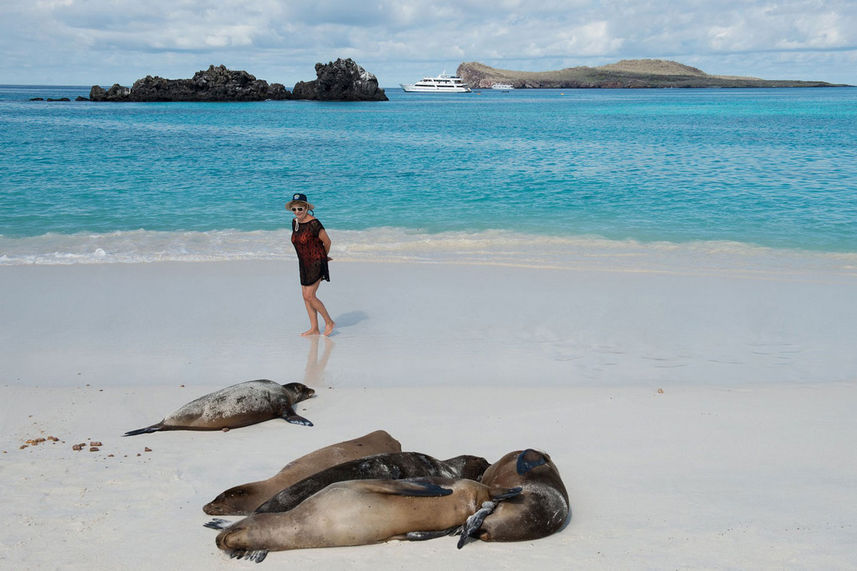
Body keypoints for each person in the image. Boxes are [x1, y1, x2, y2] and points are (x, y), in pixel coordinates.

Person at [286, 193, 335, 336]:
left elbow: (327, 242)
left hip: (316, 262)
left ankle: (329, 322)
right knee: (305, 296)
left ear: (306, 208)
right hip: (304, 263)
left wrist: (323, 258)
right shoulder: (294, 223)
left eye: (300, 209)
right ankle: (314, 328)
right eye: (294, 209)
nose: (297, 212)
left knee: (310, 296)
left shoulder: (314, 224)